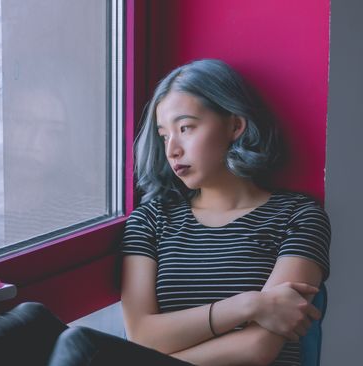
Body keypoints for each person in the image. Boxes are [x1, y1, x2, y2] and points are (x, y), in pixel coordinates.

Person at [120, 59, 330, 366]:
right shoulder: (151, 220)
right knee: (35, 320)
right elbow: (140, 334)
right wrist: (248, 305)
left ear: (235, 125)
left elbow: (258, 348)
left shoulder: (298, 216)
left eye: (186, 128)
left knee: (82, 347)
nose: (172, 150)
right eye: (164, 135)